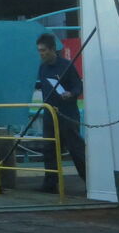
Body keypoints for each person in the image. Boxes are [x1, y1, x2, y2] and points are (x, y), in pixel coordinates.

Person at [34, 32, 86, 192]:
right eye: (39, 51)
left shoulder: (66, 66)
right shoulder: (42, 68)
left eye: (43, 50)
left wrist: (71, 94)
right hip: (50, 113)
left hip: (67, 114)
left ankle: (90, 180)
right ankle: (50, 183)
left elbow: (78, 86)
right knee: (49, 148)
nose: (41, 54)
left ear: (52, 49)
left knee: (75, 149)